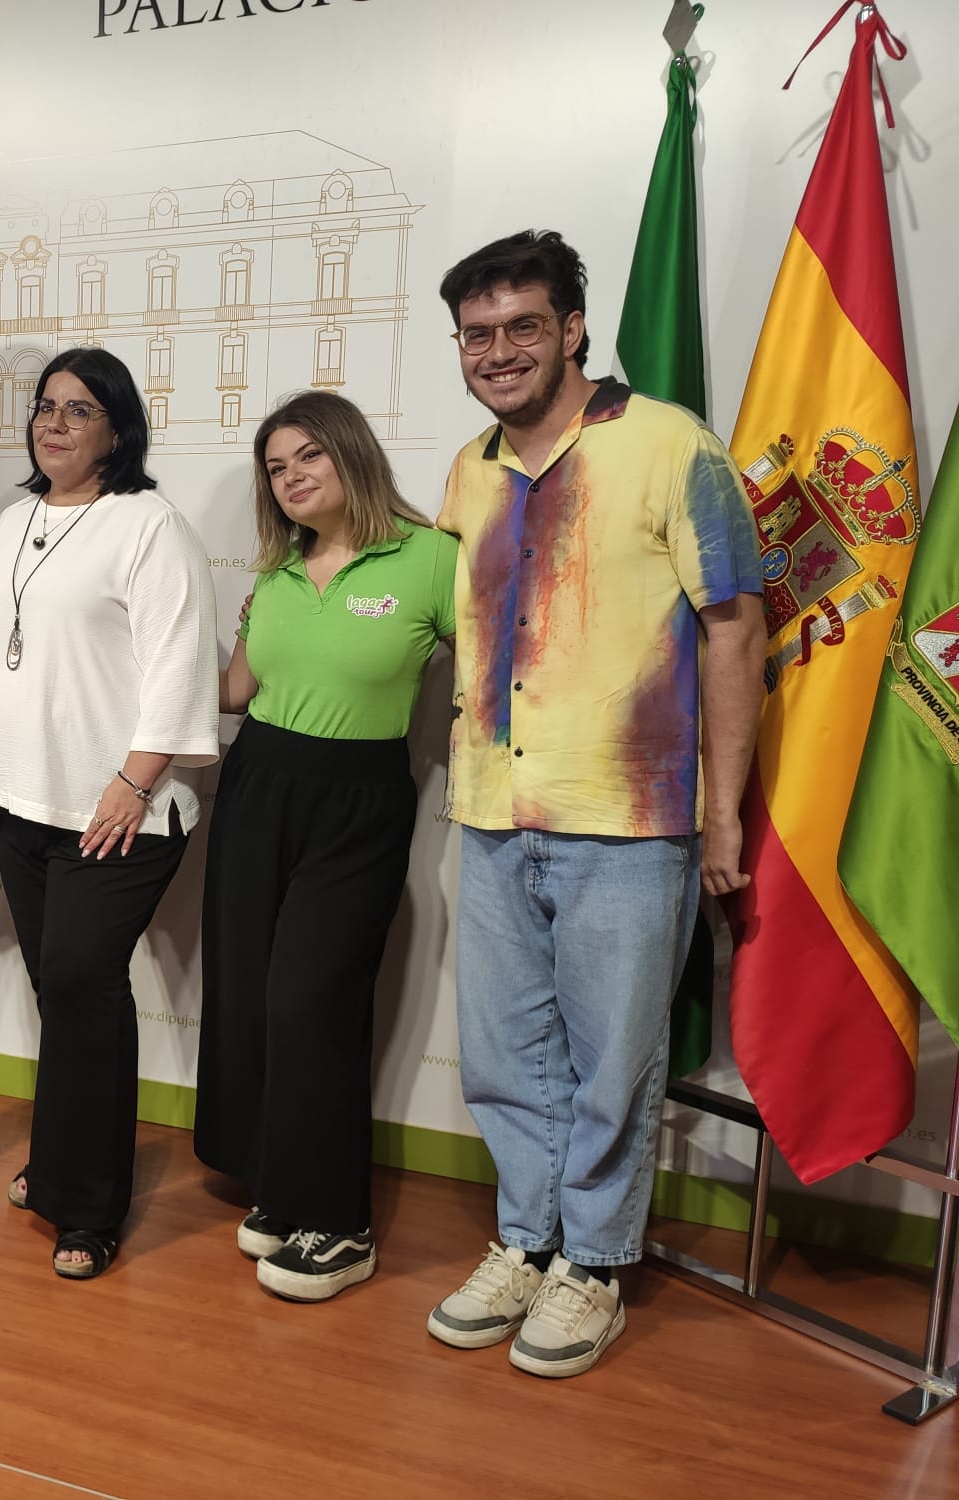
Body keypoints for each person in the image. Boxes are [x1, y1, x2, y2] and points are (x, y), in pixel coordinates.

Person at [426, 231, 764, 1377]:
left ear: (573, 327)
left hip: (628, 818)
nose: (500, 351)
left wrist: (722, 814)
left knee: (610, 1058)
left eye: (523, 325)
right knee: (502, 1057)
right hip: (486, 809)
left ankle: (593, 1265)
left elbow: (733, 626)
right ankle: (524, 1239)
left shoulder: (670, 446)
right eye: (477, 334)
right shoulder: (468, 469)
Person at [0, 346, 219, 1278]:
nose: (54, 424)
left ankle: (90, 1207)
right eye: (45, 407)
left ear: (117, 428)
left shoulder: (149, 525)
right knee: (62, 992)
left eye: (79, 410)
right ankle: (59, 1166)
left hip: (119, 808)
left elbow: (180, 662)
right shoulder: (17, 517)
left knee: (83, 985)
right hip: (27, 800)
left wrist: (133, 782)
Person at [193, 391, 456, 1303]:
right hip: (259, 783)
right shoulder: (274, 574)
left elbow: (505, 668)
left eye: (308, 456)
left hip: (359, 801)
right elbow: (234, 694)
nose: (293, 476)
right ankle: (284, 1183)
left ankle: (340, 1227)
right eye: (276, 467)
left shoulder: (431, 560)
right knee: (254, 997)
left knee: (314, 1002)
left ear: (350, 455)